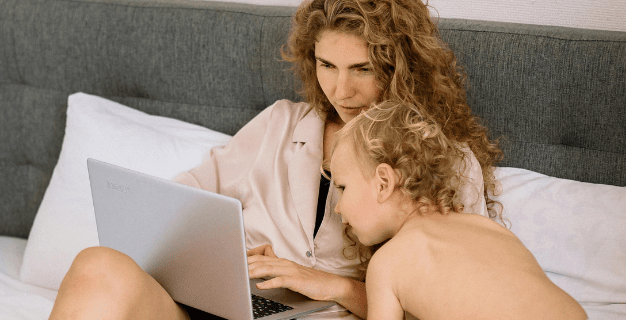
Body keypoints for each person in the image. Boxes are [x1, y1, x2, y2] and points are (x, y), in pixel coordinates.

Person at [48, 0, 502, 318]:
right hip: (224, 305)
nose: (341, 91)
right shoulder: (281, 124)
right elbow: (185, 199)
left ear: (401, 65)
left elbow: (452, 306)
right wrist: (227, 254)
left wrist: (328, 284)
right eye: (327, 66)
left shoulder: (443, 162)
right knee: (98, 265)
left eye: (361, 69)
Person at [329, 101, 585, 320]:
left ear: (383, 183)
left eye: (342, 187)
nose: (338, 206)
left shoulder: (387, 264)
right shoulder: (484, 226)